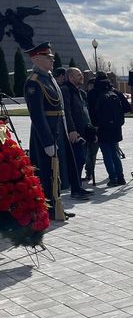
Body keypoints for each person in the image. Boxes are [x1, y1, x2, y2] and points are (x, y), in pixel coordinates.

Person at [24, 42, 68, 218]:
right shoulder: (34, 82)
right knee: (45, 170)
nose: (52, 60)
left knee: (56, 171)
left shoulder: (48, 78)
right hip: (45, 134)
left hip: (56, 130)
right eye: (47, 57)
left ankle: (57, 204)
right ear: (36, 58)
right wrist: (47, 141)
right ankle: (47, 207)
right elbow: (37, 115)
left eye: (51, 56)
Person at [60, 67, 94, 200]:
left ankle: (78, 187)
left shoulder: (79, 92)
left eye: (81, 74)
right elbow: (67, 111)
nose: (81, 76)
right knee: (76, 161)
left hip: (83, 132)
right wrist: (71, 129)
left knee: (80, 161)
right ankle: (75, 189)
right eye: (78, 75)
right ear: (70, 77)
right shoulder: (66, 90)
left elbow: (84, 112)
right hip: (74, 133)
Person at [94, 73, 131, 186]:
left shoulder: (96, 94)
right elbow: (128, 108)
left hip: (102, 127)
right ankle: (121, 178)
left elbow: (93, 112)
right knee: (115, 152)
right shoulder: (117, 93)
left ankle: (113, 178)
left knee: (107, 154)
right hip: (116, 127)